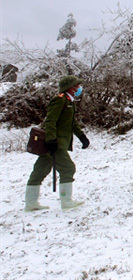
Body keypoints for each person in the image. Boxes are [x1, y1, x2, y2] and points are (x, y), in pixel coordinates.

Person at [24, 75, 90, 211]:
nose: (79, 88)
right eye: (76, 86)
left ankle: (30, 204)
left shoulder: (69, 102)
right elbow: (50, 121)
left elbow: (72, 123)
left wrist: (81, 136)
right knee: (68, 168)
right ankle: (66, 201)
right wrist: (50, 140)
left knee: (39, 171)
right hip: (55, 143)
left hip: (56, 142)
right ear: (70, 88)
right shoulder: (59, 100)